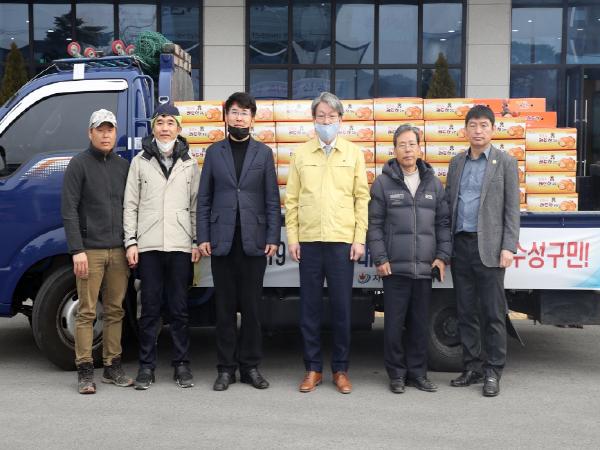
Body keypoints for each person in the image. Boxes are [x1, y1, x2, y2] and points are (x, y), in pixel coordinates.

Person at [285, 92, 370, 394]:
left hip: (341, 243)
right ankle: (312, 369)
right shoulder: (301, 154)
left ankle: (340, 369)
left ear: (340, 120)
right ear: (313, 119)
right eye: (321, 116)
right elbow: (292, 199)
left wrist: (359, 238)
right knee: (309, 309)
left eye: (331, 116)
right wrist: (292, 238)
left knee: (341, 309)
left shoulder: (353, 154)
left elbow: (362, 198)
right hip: (309, 241)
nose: (326, 121)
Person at [197, 92, 280, 391]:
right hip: (222, 241)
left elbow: (272, 199)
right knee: (224, 310)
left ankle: (250, 367)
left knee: (252, 310)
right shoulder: (214, 152)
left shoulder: (264, 153)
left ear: (253, 119)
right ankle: (225, 369)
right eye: (234, 112)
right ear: (226, 117)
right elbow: (204, 198)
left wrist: (272, 236)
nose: (239, 118)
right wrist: (203, 236)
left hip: (253, 242)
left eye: (245, 113)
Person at [367, 124, 451, 394]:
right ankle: (396, 375)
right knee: (393, 326)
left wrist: (442, 257)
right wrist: (380, 258)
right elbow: (374, 225)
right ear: (394, 150)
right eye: (402, 145)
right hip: (394, 269)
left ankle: (418, 374)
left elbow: (443, 223)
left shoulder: (433, 183)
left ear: (420, 148)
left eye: (412, 144)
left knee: (419, 325)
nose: (407, 149)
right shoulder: (383, 184)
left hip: (425, 268)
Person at [123, 103, 200, 390]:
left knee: (179, 309)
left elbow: (195, 206)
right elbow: (130, 205)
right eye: (160, 123)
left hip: (180, 245)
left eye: (170, 123)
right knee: (150, 309)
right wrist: (131, 242)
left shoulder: (190, 163)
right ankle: (146, 366)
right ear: (153, 127)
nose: (165, 128)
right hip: (149, 245)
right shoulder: (140, 161)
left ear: (179, 128)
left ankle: (181, 364)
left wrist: (195, 240)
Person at [445, 105, 520, 397]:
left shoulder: (505, 162)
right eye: (473, 125)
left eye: (484, 125)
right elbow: (449, 204)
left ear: (493, 129)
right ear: (465, 130)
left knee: (492, 313)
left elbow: (512, 210)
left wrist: (508, 246)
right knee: (465, 311)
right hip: (460, 245)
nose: (478, 131)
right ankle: (472, 367)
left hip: (489, 247)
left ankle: (493, 371)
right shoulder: (456, 163)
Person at [61, 109, 132, 394]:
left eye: (109, 129)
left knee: (115, 311)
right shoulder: (78, 164)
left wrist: (130, 244)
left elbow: (131, 208)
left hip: (118, 250)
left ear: (116, 133)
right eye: (100, 130)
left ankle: (112, 366)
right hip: (89, 251)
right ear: (90, 133)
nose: (105, 135)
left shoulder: (122, 166)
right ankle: (85, 370)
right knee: (87, 312)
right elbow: (68, 210)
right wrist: (77, 249)